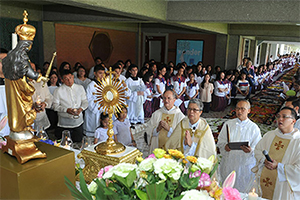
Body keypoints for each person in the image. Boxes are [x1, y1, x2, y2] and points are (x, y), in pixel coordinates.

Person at [252, 107, 300, 199]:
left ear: (293, 121)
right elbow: (258, 150)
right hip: (263, 179)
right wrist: (264, 160)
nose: (280, 119)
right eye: (278, 116)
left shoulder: (297, 141)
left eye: (284, 117)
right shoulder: (270, 135)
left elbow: (298, 169)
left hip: (282, 186)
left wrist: (279, 166)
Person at [217, 100, 261, 193]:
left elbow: (258, 147)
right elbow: (221, 141)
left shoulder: (253, 128)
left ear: (249, 110)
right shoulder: (228, 124)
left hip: (244, 165)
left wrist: (250, 150)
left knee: (242, 189)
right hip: (230, 162)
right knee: (228, 188)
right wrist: (225, 146)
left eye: (242, 109)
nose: (239, 111)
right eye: (237, 109)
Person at [53, 70, 88, 142]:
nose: (69, 80)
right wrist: (66, 110)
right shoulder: (58, 90)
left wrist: (81, 109)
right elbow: (55, 106)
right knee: (64, 145)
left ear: (73, 77)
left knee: (77, 143)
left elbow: (85, 101)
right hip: (64, 123)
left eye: (70, 77)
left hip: (78, 122)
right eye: (66, 79)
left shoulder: (80, 88)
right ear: (62, 80)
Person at [84, 64, 105, 137]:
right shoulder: (91, 85)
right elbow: (88, 99)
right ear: (95, 73)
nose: (102, 75)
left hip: (103, 109)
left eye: (103, 73)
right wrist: (97, 106)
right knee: (94, 128)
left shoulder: (104, 84)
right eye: (100, 73)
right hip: (94, 111)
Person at [30, 62, 53, 131]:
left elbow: (49, 97)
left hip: (42, 118)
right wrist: (32, 106)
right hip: (27, 120)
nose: (31, 71)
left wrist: (45, 104)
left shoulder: (42, 82)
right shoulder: (20, 84)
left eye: (33, 69)